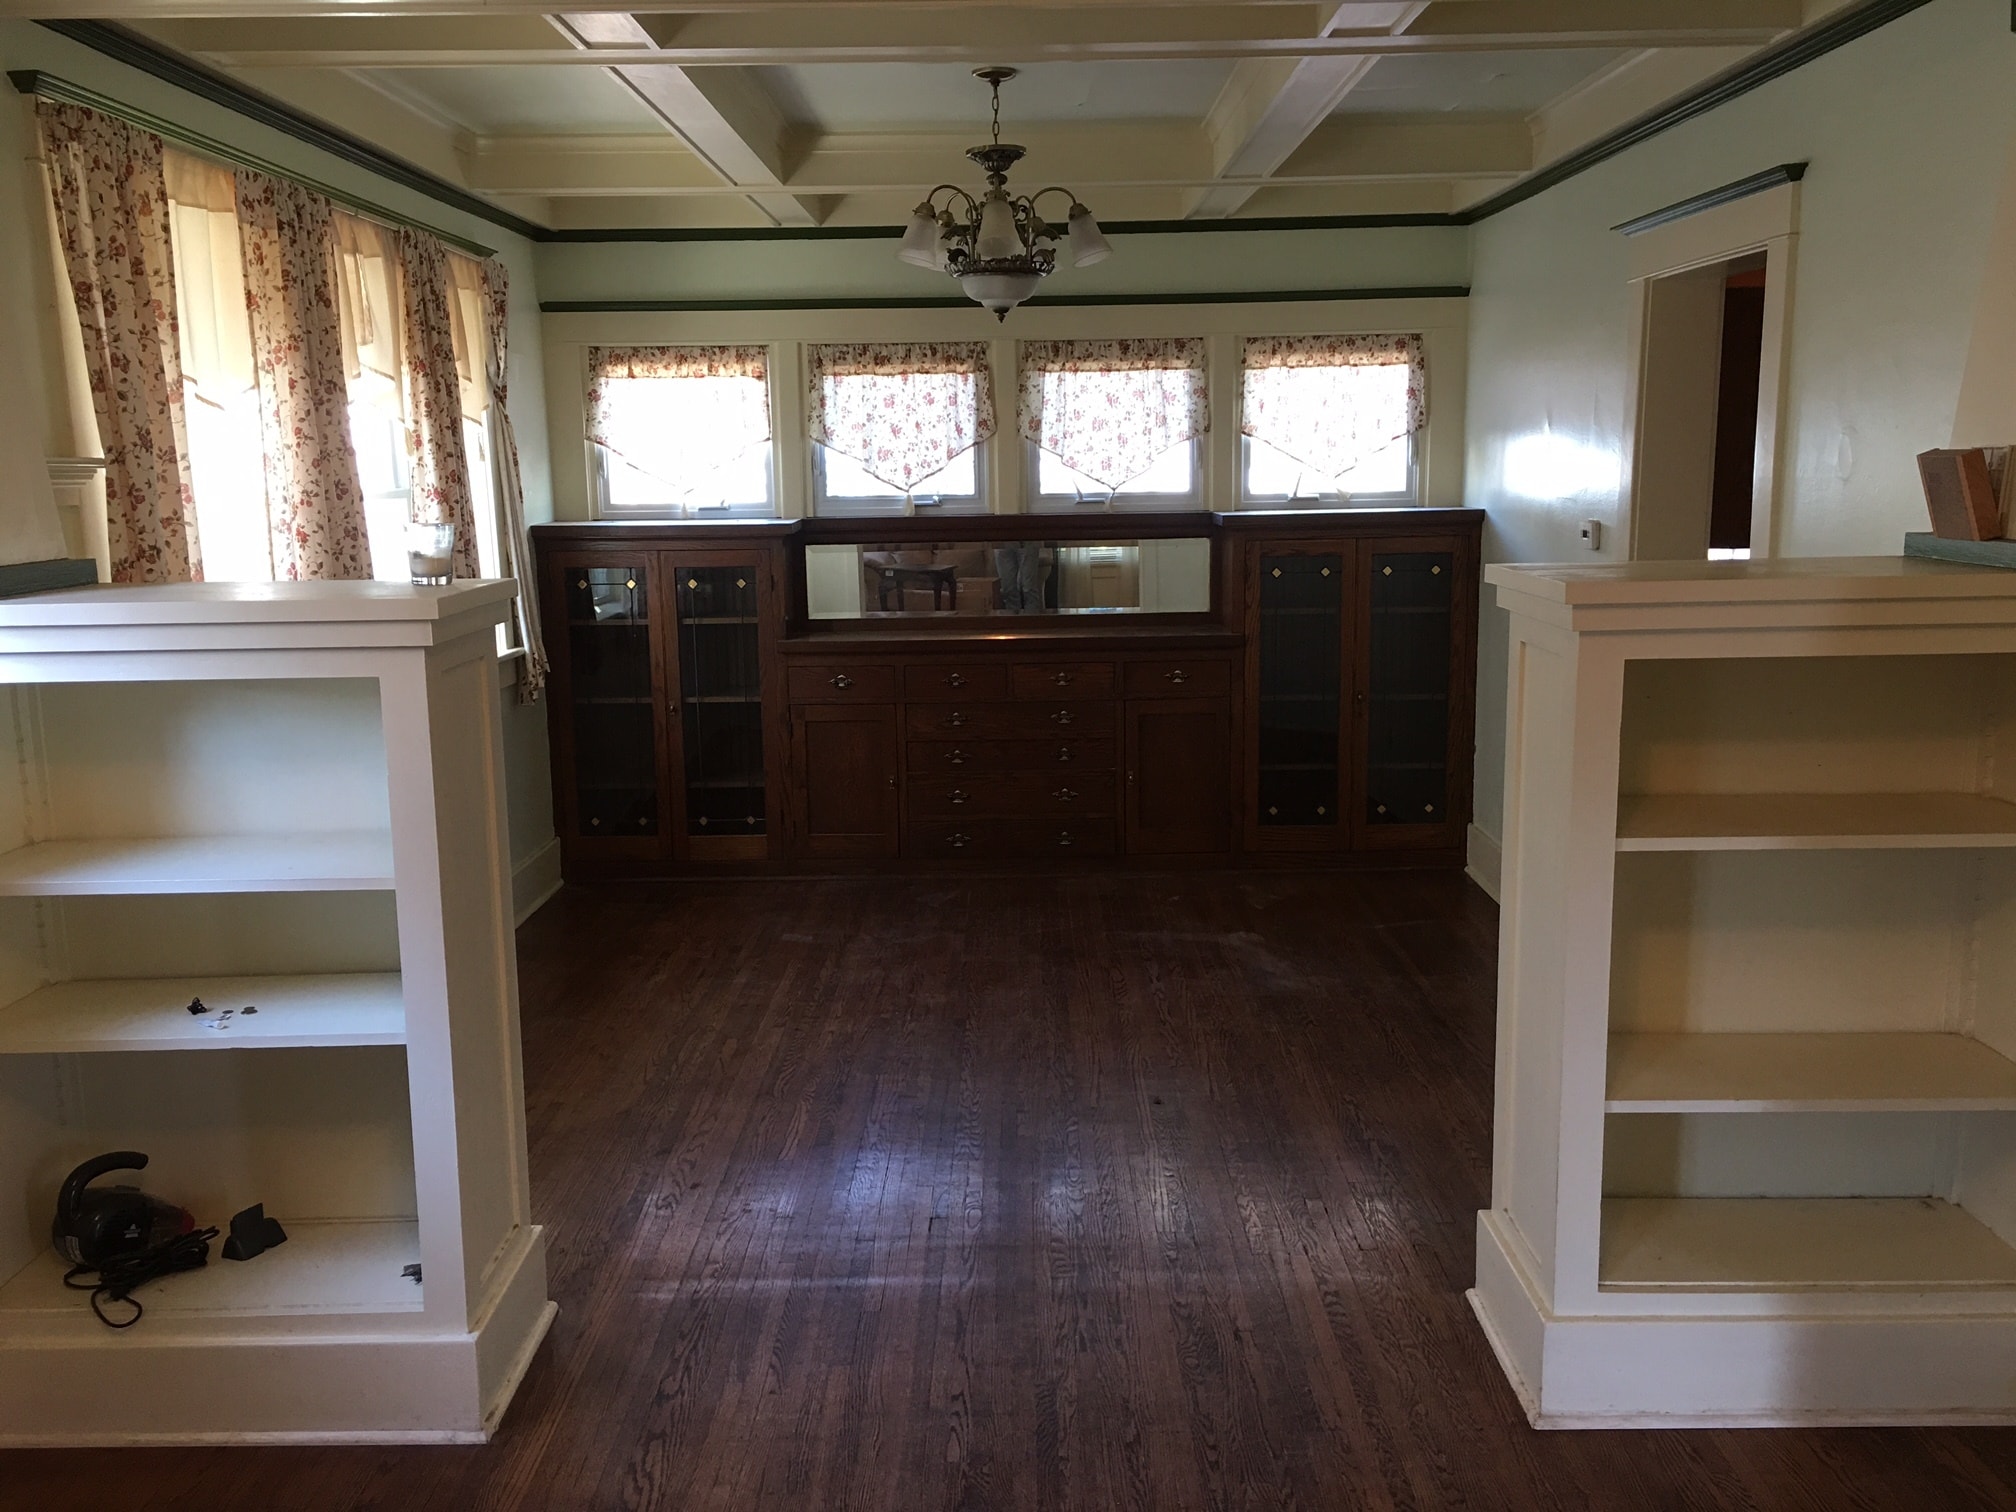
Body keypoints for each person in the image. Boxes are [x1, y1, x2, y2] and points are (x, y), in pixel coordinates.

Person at [992, 542, 1047, 613]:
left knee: (1029, 589)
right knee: (1008, 589)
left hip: (1027, 539)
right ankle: (1013, 621)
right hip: (1001, 539)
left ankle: (1031, 621)